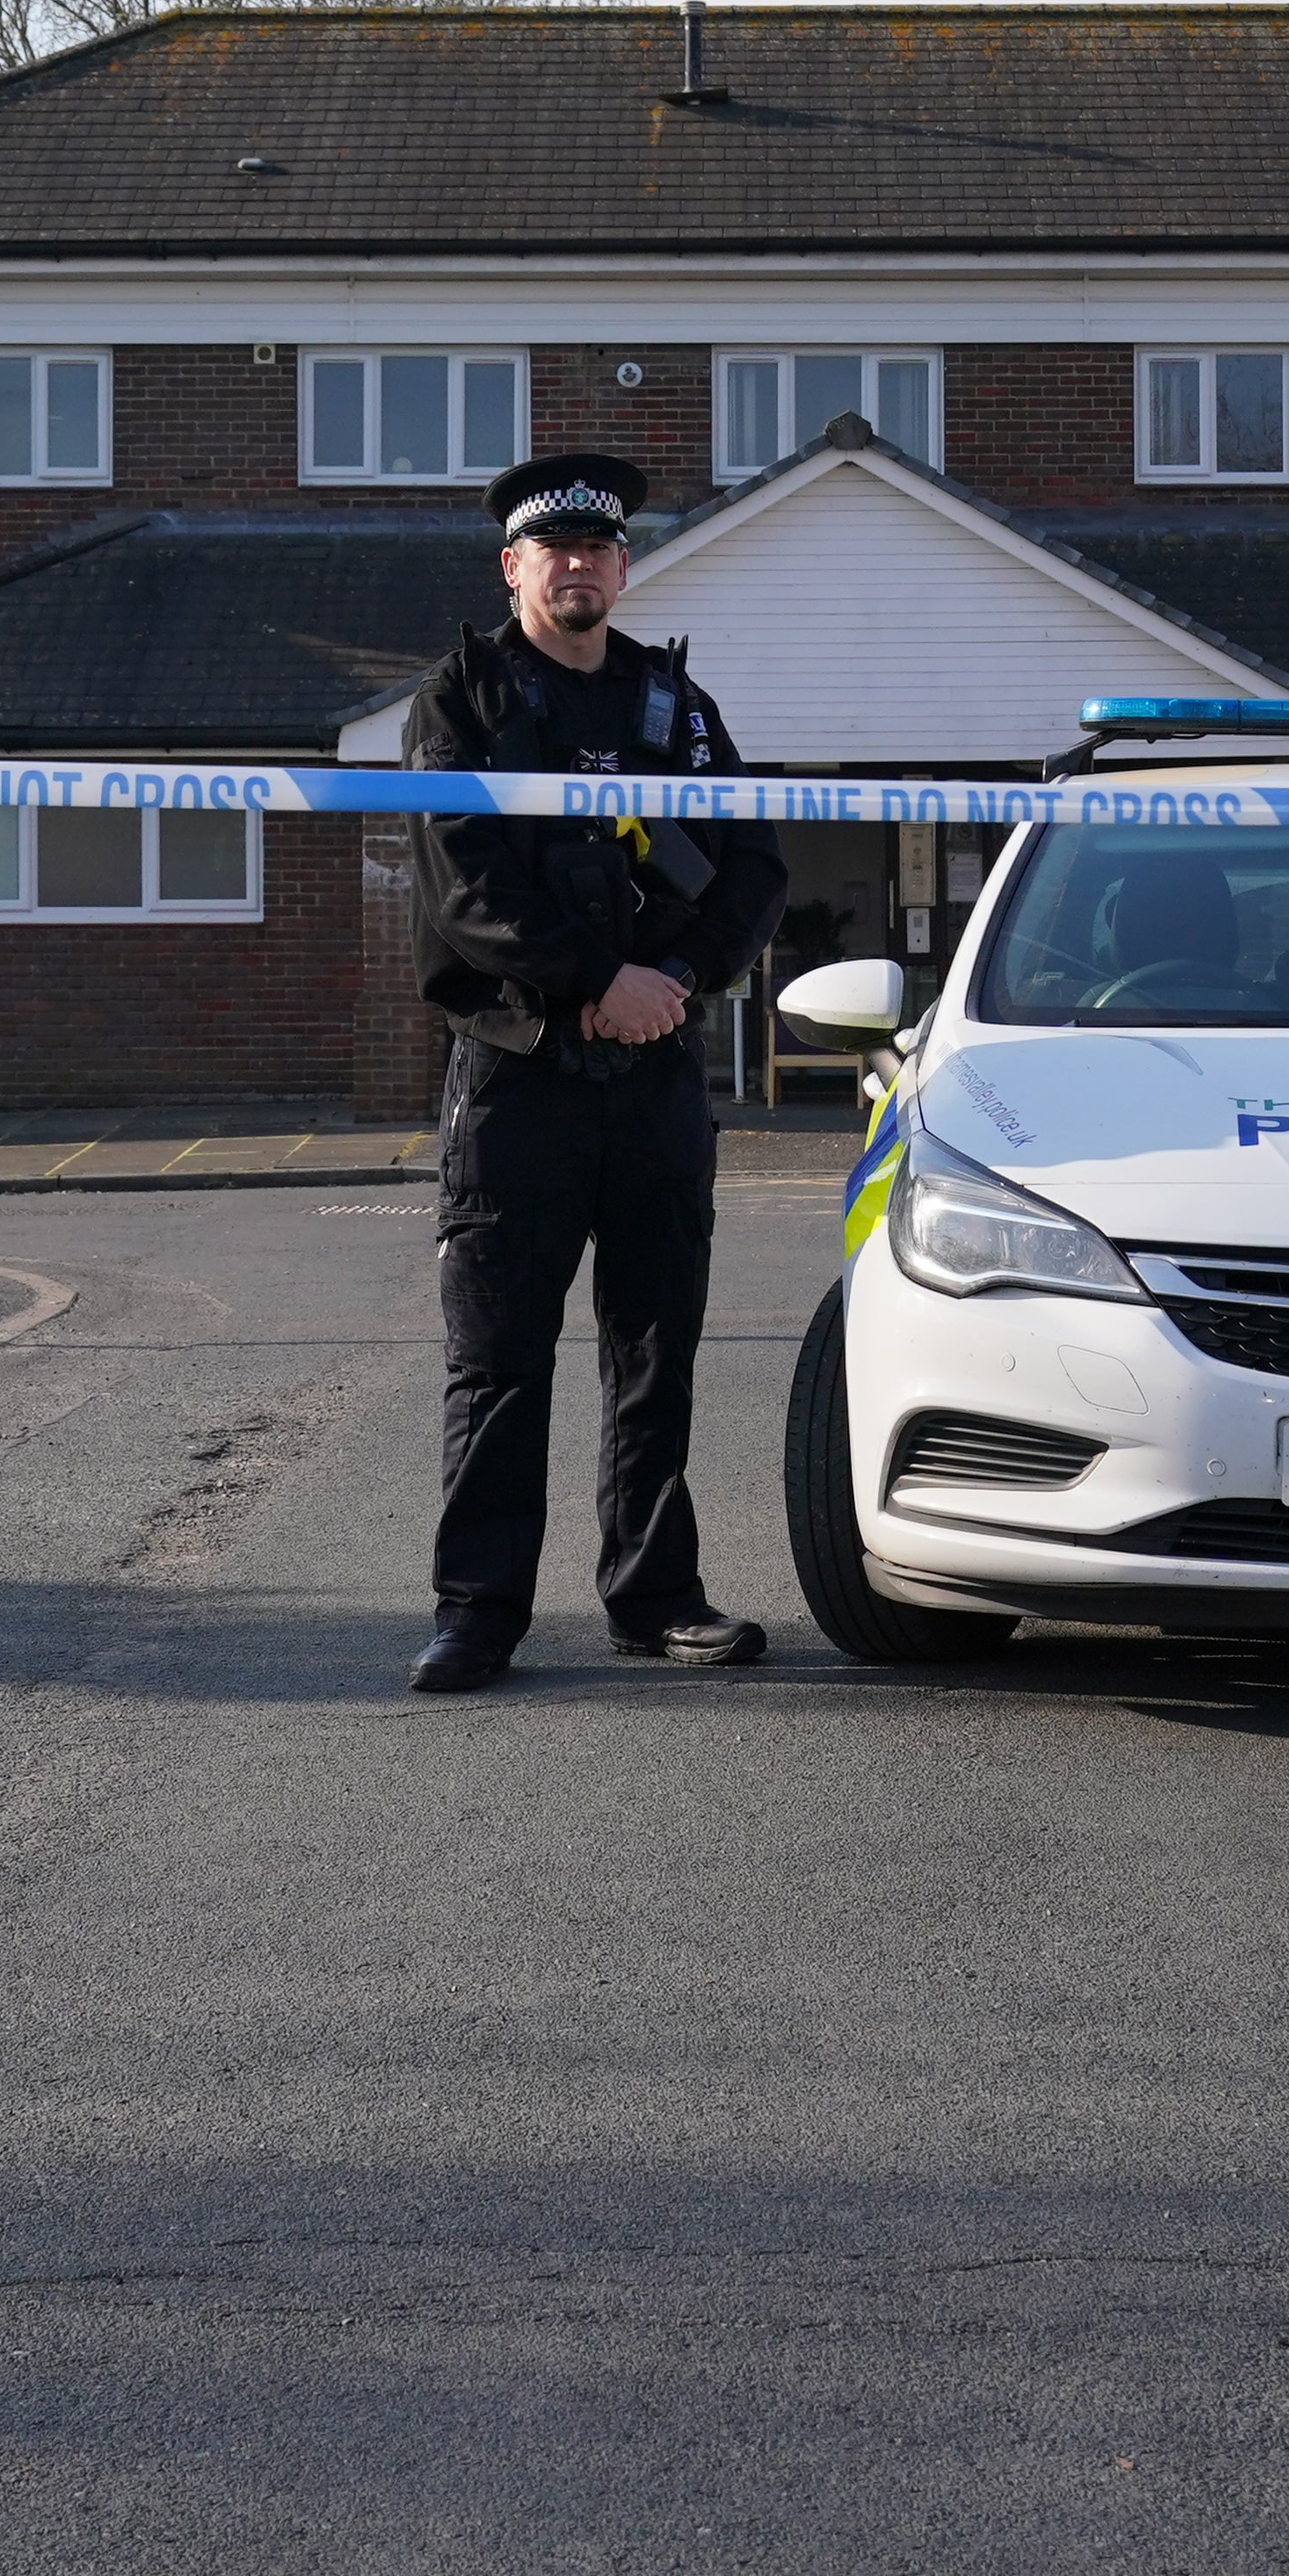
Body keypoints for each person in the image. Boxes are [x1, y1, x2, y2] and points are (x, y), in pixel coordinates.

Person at [400, 450, 790, 1696]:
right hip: (518, 1072)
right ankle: (477, 1614)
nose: (578, 567)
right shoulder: (462, 698)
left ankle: (655, 1595)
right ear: (514, 568)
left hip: (656, 1076)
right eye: (552, 550)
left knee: (655, 1348)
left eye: (598, 549)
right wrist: (594, 983)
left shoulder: (675, 709)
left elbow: (755, 870)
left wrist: (671, 982)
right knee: (500, 1360)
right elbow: (466, 891)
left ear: (623, 568)